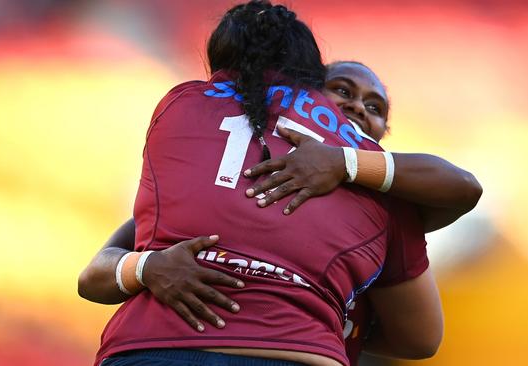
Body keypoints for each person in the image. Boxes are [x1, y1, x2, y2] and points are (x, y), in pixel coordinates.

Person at [81, 2, 481, 365]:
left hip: (151, 351)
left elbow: (422, 336)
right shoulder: (210, 165)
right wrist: (147, 266)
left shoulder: (383, 187)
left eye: (374, 107)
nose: (357, 107)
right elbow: (94, 274)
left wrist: (343, 163)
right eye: (341, 90)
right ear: (304, 93)